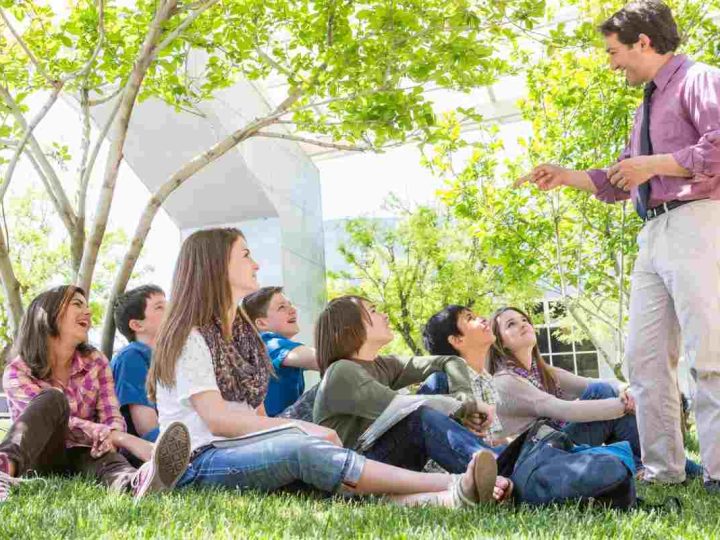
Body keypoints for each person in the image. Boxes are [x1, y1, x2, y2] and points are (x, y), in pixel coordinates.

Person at [148, 227, 511, 507]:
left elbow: (255, 416)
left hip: (250, 453)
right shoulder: (189, 336)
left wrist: (292, 430)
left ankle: (456, 496)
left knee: (322, 456)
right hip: (200, 461)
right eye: (245, 255)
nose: (256, 263)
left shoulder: (245, 338)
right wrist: (300, 428)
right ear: (215, 265)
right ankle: (453, 483)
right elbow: (219, 422)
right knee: (302, 449)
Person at [527, 0, 720, 491]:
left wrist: (655, 164)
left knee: (710, 355)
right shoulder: (646, 106)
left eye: (615, 51)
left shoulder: (700, 80)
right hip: (653, 232)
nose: (611, 63)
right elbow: (620, 180)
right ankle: (662, 470)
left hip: (698, 221)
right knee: (644, 358)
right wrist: (565, 176)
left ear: (643, 42)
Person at [0, 285, 191, 503]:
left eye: (88, 306)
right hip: (39, 455)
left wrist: (111, 436)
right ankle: (4, 468)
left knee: (110, 462)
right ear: (47, 313)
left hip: (85, 451)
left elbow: (111, 415)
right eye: (77, 304)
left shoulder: (95, 361)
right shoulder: (18, 371)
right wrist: (116, 436)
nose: (89, 312)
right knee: (53, 399)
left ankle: (137, 482)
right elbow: (54, 423)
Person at [488, 306, 702, 478]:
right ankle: (680, 468)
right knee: (604, 397)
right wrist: (625, 404)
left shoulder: (541, 371)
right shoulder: (506, 381)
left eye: (524, 320)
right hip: (538, 457)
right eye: (511, 324)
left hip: (556, 445)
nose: (522, 324)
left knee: (608, 399)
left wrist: (625, 390)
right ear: (502, 344)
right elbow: (563, 410)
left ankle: (665, 468)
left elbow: (589, 383)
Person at [313, 295, 503, 476]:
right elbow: (400, 407)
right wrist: (464, 407)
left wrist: (465, 397)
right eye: (373, 311)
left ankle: (486, 456)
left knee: (439, 379)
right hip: (355, 473)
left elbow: (450, 361)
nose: (385, 315)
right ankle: (493, 465)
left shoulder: (383, 364)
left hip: (383, 459)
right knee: (417, 415)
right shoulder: (341, 372)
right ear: (350, 329)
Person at [422, 305, 507, 445]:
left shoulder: (487, 379)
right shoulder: (446, 384)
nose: (483, 319)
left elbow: (490, 440)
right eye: (470, 318)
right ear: (456, 340)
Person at [242, 286, 318, 417]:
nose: (293, 310)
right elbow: (321, 359)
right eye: (282, 307)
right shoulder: (266, 343)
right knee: (335, 378)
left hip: (283, 423)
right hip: (275, 427)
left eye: (290, 305)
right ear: (261, 323)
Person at [112, 285, 166, 442]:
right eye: (159, 307)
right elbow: (147, 429)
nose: (170, 310)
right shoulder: (132, 356)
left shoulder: (168, 358)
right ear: (137, 325)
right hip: (151, 451)